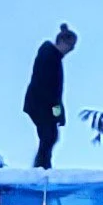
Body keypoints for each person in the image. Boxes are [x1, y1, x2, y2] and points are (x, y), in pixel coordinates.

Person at [24, 23, 76, 169]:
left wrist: (58, 114)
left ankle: (43, 166)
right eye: (70, 47)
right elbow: (51, 90)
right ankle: (41, 167)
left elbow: (55, 93)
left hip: (44, 104)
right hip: (41, 104)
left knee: (50, 135)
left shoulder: (54, 57)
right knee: (49, 135)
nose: (70, 51)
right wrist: (57, 113)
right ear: (63, 42)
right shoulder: (49, 55)